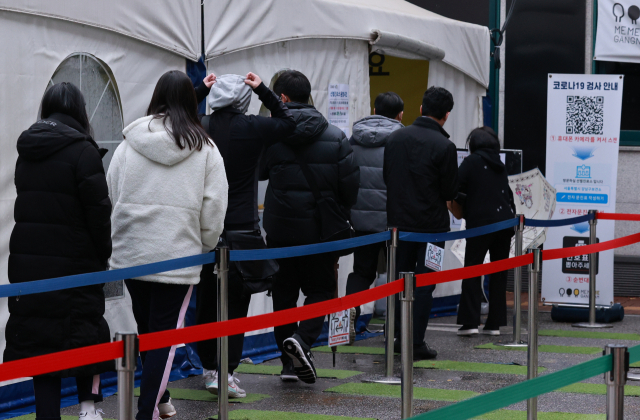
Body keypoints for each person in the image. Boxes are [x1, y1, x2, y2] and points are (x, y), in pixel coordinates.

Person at [107, 70, 228, 420]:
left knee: (147, 330)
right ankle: (146, 412)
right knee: (164, 336)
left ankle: (160, 398)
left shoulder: (130, 142)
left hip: (130, 254)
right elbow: (214, 208)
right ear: (192, 100)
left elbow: (111, 191)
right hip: (178, 256)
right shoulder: (206, 149)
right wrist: (204, 246)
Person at [5, 82, 113, 420]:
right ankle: (88, 408)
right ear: (80, 111)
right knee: (89, 332)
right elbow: (99, 214)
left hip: (30, 266)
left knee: (42, 343)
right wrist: (103, 257)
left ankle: (46, 415)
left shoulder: (28, 149)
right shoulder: (84, 152)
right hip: (76, 263)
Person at [193, 72, 295, 396]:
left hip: (205, 229)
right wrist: (263, 89)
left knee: (207, 301)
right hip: (243, 231)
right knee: (237, 304)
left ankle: (209, 369)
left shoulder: (201, 126)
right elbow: (288, 121)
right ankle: (228, 372)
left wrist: (199, 89)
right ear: (243, 99)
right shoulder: (252, 127)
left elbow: (171, 115)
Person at [260, 70, 359, 383]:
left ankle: (289, 364)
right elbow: (350, 190)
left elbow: (260, 173)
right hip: (319, 233)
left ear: (284, 98)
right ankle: (302, 342)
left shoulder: (272, 135)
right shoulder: (336, 136)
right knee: (321, 291)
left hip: (280, 232)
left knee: (283, 297)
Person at [384, 86, 458, 360]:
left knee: (397, 281)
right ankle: (415, 342)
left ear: (420, 108)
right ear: (446, 115)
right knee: (425, 284)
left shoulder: (395, 139)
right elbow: (450, 191)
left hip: (397, 226)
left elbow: (386, 178)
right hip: (433, 229)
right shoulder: (445, 146)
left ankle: (395, 336)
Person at [345, 92, 404, 334]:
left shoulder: (354, 139)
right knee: (397, 274)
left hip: (360, 219)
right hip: (394, 221)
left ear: (374, 109)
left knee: (362, 272)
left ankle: (349, 310)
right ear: (400, 114)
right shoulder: (402, 139)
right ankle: (395, 328)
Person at [452, 127, 515, 336]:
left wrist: (464, 205)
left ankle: (470, 322)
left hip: (480, 224)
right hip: (504, 224)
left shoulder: (471, 162)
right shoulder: (500, 164)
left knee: (472, 270)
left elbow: (455, 187)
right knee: (499, 274)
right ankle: (494, 324)